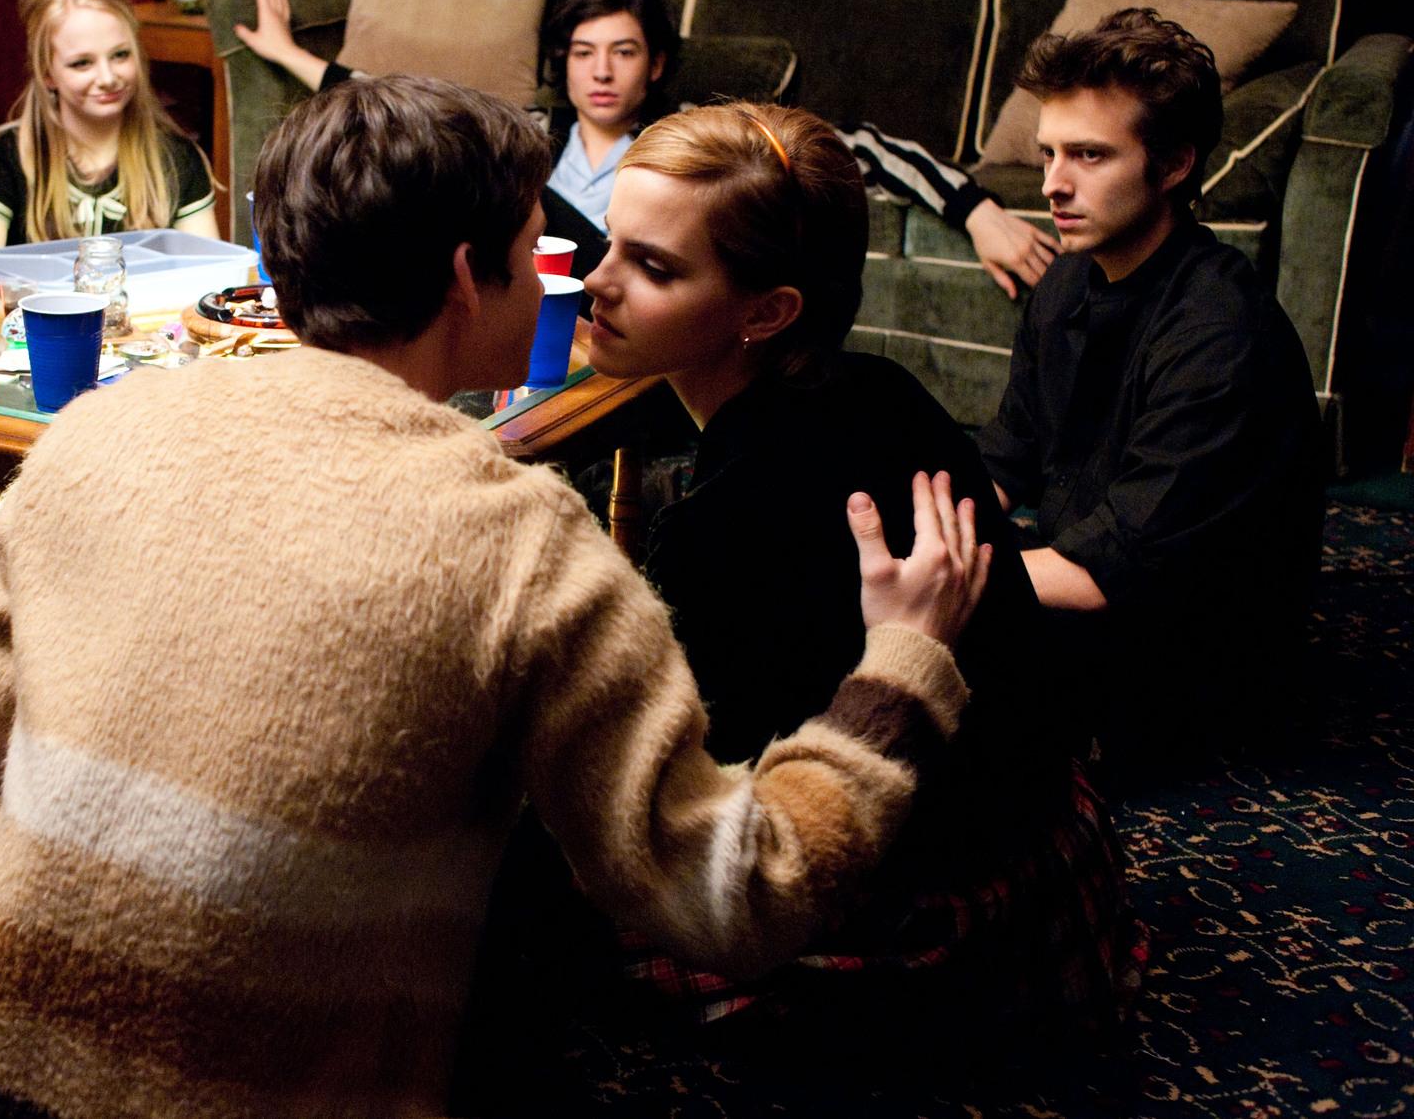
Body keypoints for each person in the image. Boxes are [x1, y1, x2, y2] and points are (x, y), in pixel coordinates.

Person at [0, 74, 993, 1118]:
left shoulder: (92, 429)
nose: (575, 279)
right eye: (543, 243)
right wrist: (897, 668)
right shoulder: (524, 538)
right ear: (463, 277)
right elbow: (738, 897)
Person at [454, 103, 1141, 1107]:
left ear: (767, 311)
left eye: (652, 268)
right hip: (1031, 823)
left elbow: (675, 819)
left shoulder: (740, 514)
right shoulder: (875, 386)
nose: (595, 281)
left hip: (917, 892)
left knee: (495, 864)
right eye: (609, 245)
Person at [974, 8, 1324, 774]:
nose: (1052, 184)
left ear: (1173, 167)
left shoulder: (1221, 334)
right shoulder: (1066, 282)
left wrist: (937, 580)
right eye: (1050, 153)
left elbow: (1111, 572)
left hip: (1191, 659)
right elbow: (1006, 463)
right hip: (1082, 580)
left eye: (1090, 156)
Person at [231, 0, 1061, 298]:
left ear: (654, 62)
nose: (602, 73)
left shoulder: (687, 139)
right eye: (584, 54)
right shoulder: (533, 135)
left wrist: (979, 209)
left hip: (631, 295)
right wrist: (287, 53)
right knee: (456, 152)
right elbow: (396, 110)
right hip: (542, 302)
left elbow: (865, 146)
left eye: (623, 52)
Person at [0, 0, 217, 247]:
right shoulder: (7, 159)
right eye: (82, 63)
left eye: (120, 55)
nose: (107, 78)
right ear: (47, 74)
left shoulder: (176, 157)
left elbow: (210, 277)